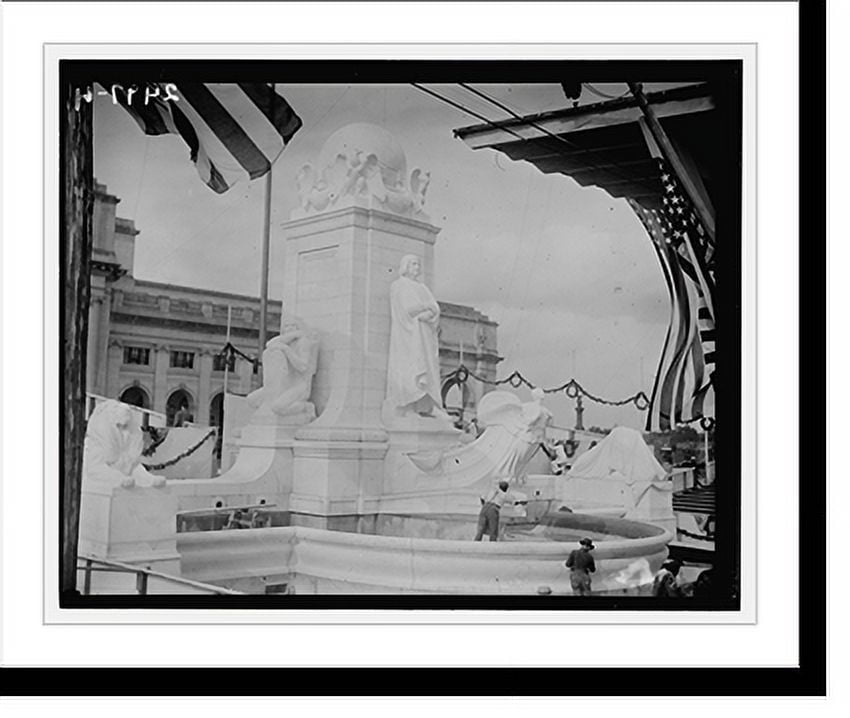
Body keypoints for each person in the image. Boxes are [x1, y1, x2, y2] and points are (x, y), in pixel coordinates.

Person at [385, 254, 447, 419]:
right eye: (413, 264)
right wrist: (426, 307)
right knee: (411, 369)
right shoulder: (398, 286)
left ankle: (429, 406)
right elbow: (407, 309)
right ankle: (408, 407)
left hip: (424, 334)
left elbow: (435, 307)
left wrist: (430, 313)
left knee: (428, 368)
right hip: (409, 336)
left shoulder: (422, 287)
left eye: (419, 264)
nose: (417, 268)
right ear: (405, 266)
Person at [246, 316, 319, 419]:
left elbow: (303, 367)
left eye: (292, 326)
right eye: (286, 326)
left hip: (299, 386)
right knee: (251, 400)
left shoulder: (303, 343)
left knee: (277, 407)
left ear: (298, 327)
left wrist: (286, 349)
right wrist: (291, 336)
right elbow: (269, 344)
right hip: (283, 385)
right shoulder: (285, 341)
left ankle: (306, 407)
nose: (289, 328)